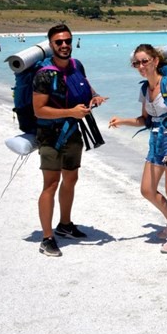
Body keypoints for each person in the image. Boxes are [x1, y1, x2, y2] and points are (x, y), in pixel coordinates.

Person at [32, 24, 108, 257]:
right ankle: (47, 238)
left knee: (71, 178)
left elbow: (84, 84)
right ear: (51, 45)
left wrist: (94, 96)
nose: (64, 45)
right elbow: (39, 110)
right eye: (59, 42)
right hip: (51, 136)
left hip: (74, 132)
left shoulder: (77, 65)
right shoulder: (44, 74)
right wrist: (70, 112)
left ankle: (65, 225)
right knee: (51, 184)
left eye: (67, 40)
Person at [109, 44, 167, 254]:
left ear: (155, 61)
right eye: (137, 63)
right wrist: (122, 121)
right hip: (155, 141)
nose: (141, 66)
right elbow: (145, 120)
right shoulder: (145, 89)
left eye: (145, 61)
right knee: (147, 190)